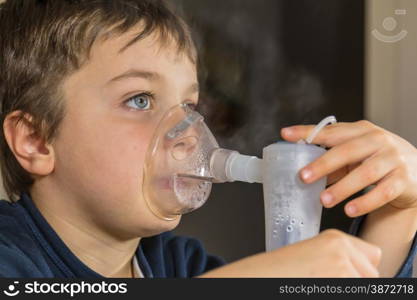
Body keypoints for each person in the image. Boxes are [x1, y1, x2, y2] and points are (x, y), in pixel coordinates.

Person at [0, 0, 415, 278]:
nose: (188, 135)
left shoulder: (180, 265)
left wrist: (397, 212)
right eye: (140, 99)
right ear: (36, 140)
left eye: (190, 106)